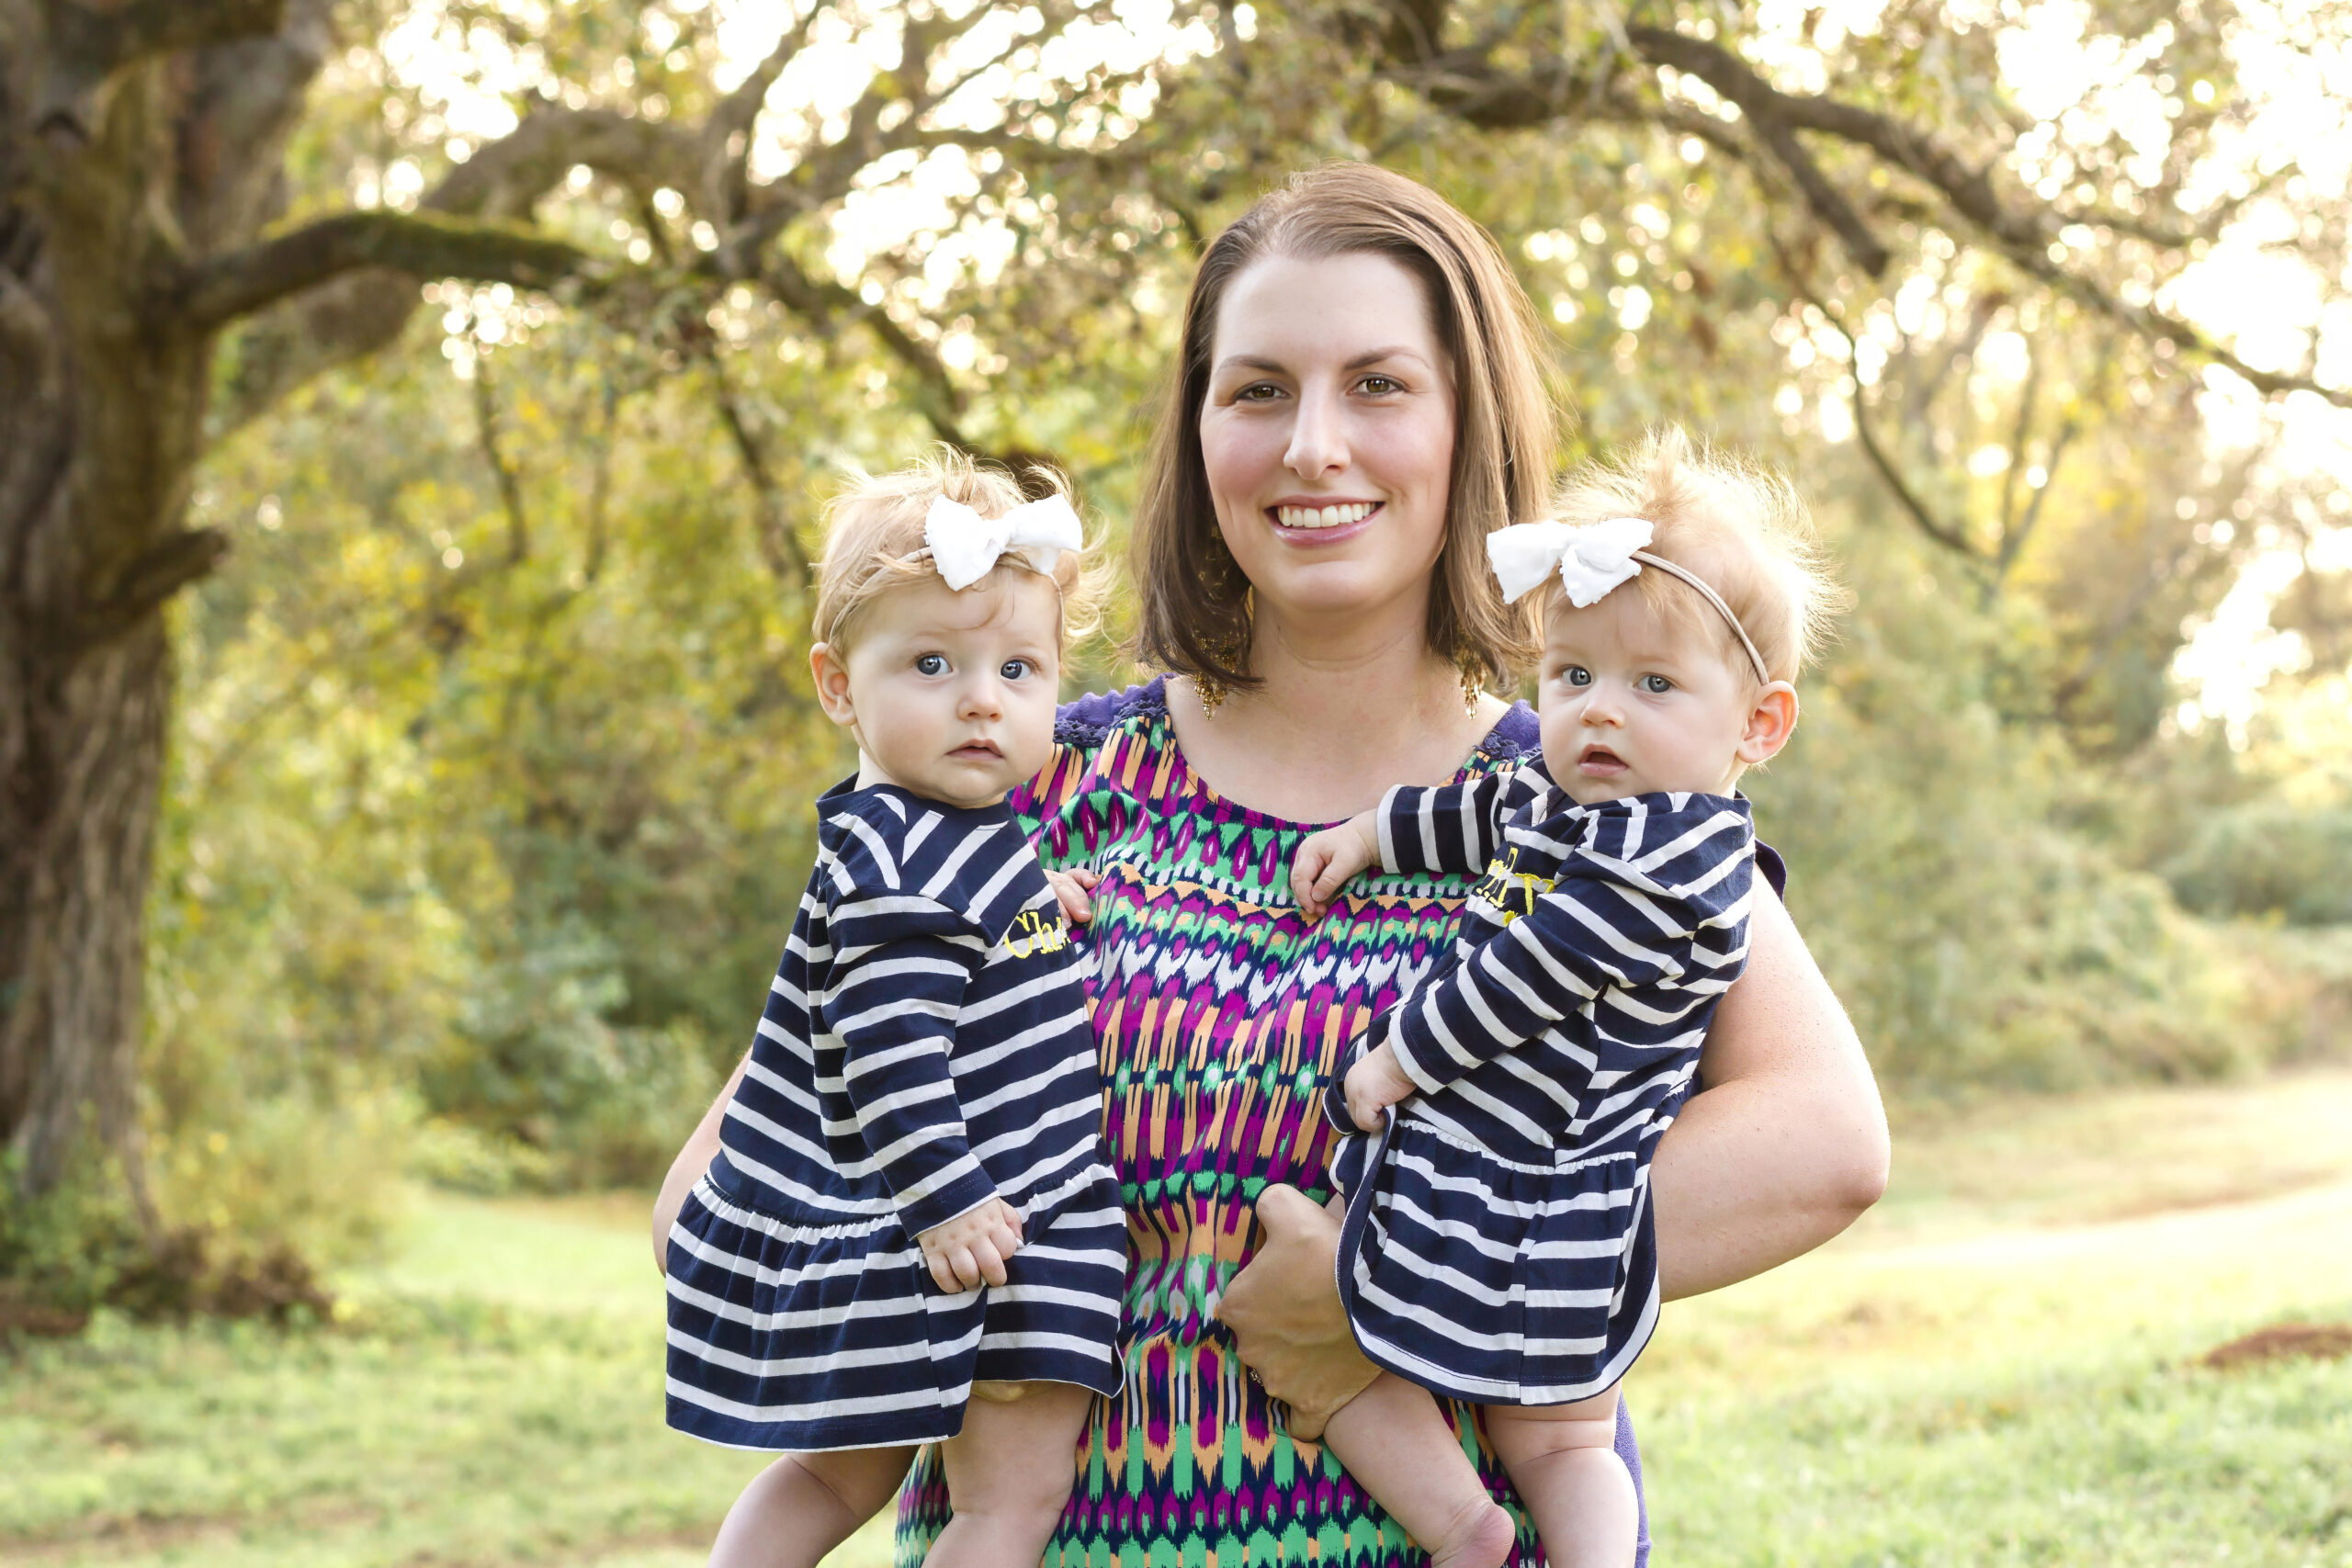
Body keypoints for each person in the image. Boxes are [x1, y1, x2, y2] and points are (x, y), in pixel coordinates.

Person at [655, 161, 1889, 1567]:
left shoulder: (1580, 793)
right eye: (1256, 391)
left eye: (1377, 384)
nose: (1313, 445)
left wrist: (1388, 1289)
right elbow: (714, 1201)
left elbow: (1826, 1142)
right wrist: (947, 1250)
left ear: (1463, 424)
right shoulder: (1026, 777)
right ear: (1199, 436)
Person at [1285, 429, 1839, 1567]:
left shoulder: (1676, 860)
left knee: (1560, 1430)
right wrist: (1370, 833)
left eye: (1653, 685)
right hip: (1479, 1149)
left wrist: (1396, 1064)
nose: (1598, 713)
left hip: (1558, 1170)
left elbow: (1524, 976)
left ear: (1757, 726)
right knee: (1338, 1349)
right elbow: (1473, 818)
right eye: (1573, 676)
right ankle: (1467, 1533)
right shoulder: (1559, 795)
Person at [658, 454, 1127, 1568]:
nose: (982, 699)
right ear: (836, 686)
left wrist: (1035, 905)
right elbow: (888, 1051)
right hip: (989, 1224)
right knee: (1003, 1503)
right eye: (932, 663)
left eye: (1020, 669)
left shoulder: (928, 838)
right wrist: (951, 1203)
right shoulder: (902, 868)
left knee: (842, 1469)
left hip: (954, 1234)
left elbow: (965, 953)